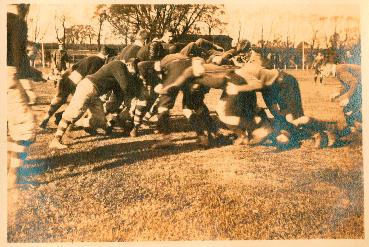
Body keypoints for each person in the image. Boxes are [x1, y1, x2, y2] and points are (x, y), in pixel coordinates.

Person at [49, 59, 140, 149]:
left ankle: (77, 123)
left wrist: (119, 108)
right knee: (74, 113)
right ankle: (56, 140)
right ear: (128, 65)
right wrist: (134, 96)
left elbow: (117, 97)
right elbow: (126, 87)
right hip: (88, 87)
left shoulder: (120, 76)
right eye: (132, 72)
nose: (132, 75)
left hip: (95, 93)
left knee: (99, 121)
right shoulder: (119, 65)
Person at [39, 46, 110, 130]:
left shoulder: (91, 57)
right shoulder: (99, 62)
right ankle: (65, 120)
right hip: (76, 81)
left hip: (67, 78)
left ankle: (45, 120)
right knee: (83, 102)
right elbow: (91, 78)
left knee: (59, 100)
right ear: (107, 56)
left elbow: (74, 67)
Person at [7, 3, 36, 203]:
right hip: (7, 77)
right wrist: (29, 88)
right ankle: (13, 177)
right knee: (26, 127)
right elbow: (18, 57)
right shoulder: (16, 22)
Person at [330, 64, 362, 139]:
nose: (322, 73)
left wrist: (347, 98)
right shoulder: (339, 69)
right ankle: (354, 128)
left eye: (322, 70)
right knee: (349, 109)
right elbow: (347, 85)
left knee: (348, 108)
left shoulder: (339, 70)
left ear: (328, 66)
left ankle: (353, 129)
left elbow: (354, 82)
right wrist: (338, 93)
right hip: (361, 85)